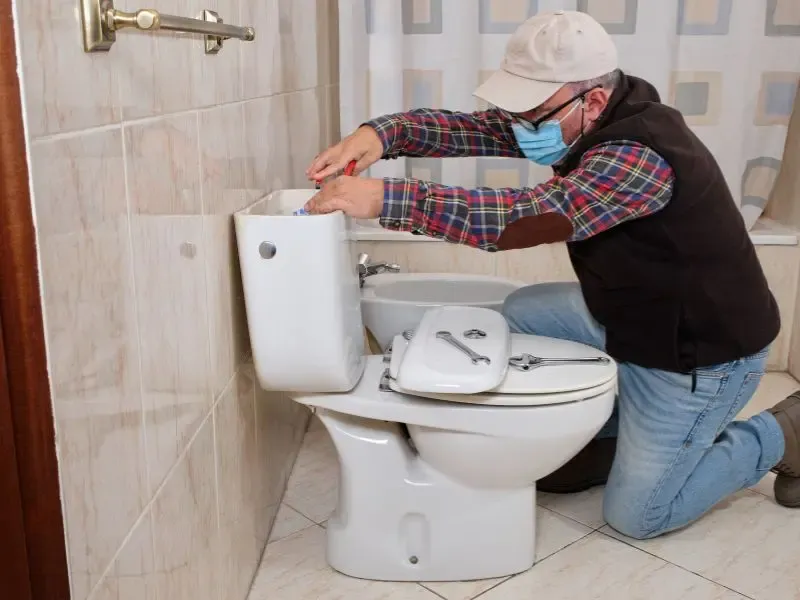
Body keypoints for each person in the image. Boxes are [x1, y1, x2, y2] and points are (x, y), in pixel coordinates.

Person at [304, 10, 800, 539]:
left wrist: (387, 198)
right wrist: (381, 135)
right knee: (523, 316)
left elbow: (525, 217)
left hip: (699, 354)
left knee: (638, 515)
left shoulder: (639, 158)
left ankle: (785, 433)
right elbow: (471, 128)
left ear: (591, 100)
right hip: (632, 319)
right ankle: (621, 421)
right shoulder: (577, 117)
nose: (517, 127)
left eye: (531, 113)